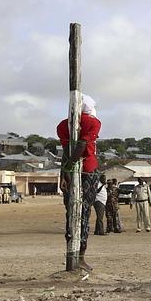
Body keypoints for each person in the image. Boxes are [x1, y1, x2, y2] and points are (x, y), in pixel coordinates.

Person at [57, 93, 101, 271]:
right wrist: (69, 168)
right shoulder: (93, 122)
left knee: (71, 212)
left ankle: (72, 254)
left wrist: (64, 172)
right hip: (87, 172)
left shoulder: (62, 125)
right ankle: (80, 256)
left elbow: (66, 151)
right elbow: (82, 145)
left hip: (70, 172)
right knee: (84, 213)